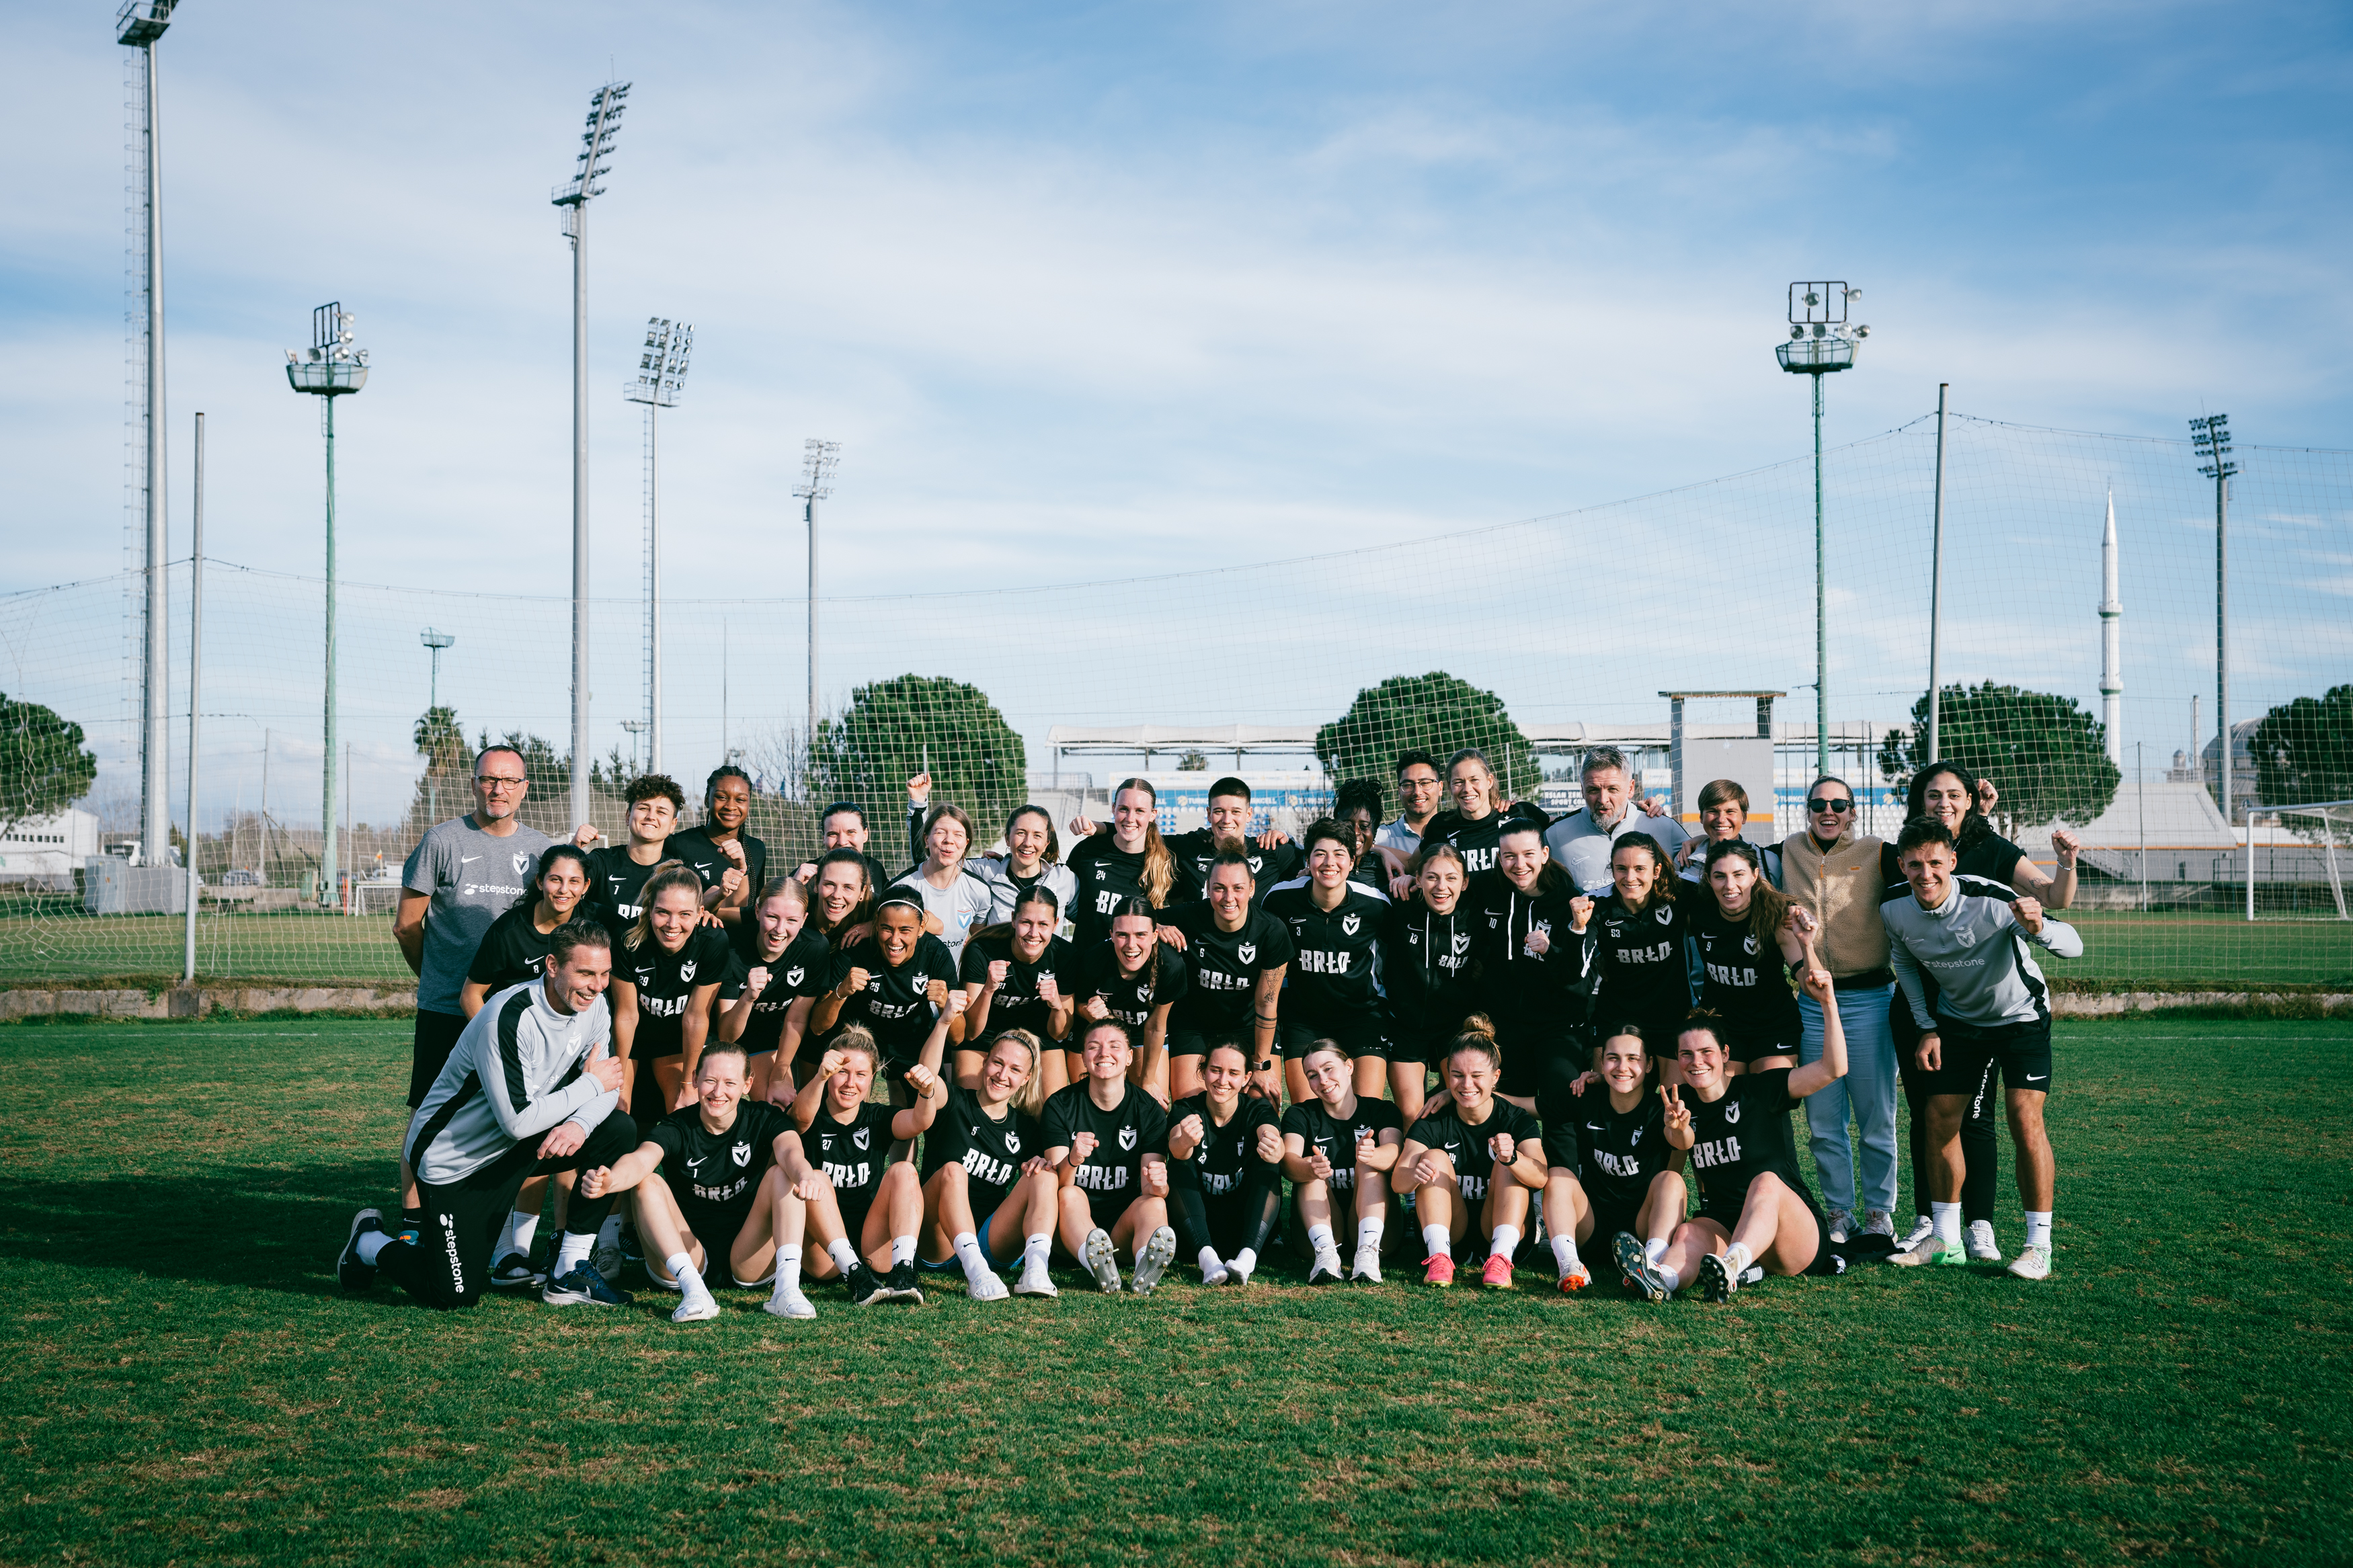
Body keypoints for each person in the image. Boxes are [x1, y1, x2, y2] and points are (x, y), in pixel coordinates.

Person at [337, 919, 635, 1311]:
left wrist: (580, 1122)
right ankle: (369, 1243)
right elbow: (517, 1121)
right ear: (552, 965)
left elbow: (608, 1082)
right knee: (453, 1294)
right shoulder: (508, 1016)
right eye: (585, 973)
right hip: (453, 1162)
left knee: (617, 1129)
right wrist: (589, 1086)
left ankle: (568, 1271)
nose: (597, 986)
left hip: (515, 1148)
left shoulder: (594, 1006)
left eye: (604, 974)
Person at [1892, 761, 2082, 1260]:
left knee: (2022, 1118)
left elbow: (2071, 938)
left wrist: (2040, 926)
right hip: (1955, 1019)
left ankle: (2035, 1244)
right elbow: (1904, 964)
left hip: (2018, 1015)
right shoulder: (1895, 905)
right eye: (1915, 865)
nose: (1925, 873)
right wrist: (1928, 1024)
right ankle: (1943, 1236)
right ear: (1902, 865)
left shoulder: (1993, 888)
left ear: (1952, 861)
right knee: (1936, 1117)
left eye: (1936, 864)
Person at [391, 742, 553, 1230]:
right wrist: (437, 977)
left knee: (522, 1115)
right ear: (474, 783)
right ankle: (412, 1223)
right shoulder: (442, 840)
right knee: (429, 1114)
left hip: (520, 1013)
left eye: (508, 780)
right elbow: (406, 925)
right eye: (488, 779)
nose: (497, 789)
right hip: (447, 1007)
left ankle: (507, 1235)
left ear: (525, 788)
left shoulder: (542, 850)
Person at [575, 1039, 827, 1322]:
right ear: (695, 1079)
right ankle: (694, 1292)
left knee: (783, 1173)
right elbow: (642, 1159)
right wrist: (612, 1181)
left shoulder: (762, 1117)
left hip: (748, 1257)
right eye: (710, 1080)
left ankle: (787, 1290)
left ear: (747, 1085)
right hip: (686, 1255)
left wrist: (804, 1174)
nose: (719, 1092)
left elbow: (790, 1150)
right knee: (646, 1183)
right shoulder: (677, 1126)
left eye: (730, 1083)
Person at [1636, 987, 1849, 1303]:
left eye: (1706, 1052)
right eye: (1686, 1054)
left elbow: (1834, 1068)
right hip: (1726, 1224)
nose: (1697, 1062)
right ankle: (1660, 1278)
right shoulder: (1682, 1105)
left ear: (1724, 1054)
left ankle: (1732, 1267)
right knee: (1688, 1231)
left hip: (1790, 1232)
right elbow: (1681, 1141)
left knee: (1765, 1183)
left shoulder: (1760, 1089)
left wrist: (1829, 1002)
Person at [1776, 776, 1903, 1244]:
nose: (1828, 811)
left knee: (1875, 1116)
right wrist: (1687, 844)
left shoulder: (1878, 851)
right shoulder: (1785, 852)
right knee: (1824, 1120)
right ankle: (1838, 1213)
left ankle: (1878, 1212)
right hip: (1812, 1004)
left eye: (1839, 804)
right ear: (1807, 809)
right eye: (1818, 804)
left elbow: (1934, 859)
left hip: (1869, 1000)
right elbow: (1728, 854)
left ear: (1853, 811)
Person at [791, 1028, 949, 1304]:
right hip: (823, 1253)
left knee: (905, 1170)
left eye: (861, 1075)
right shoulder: (812, 1111)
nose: (850, 1083)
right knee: (816, 1177)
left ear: (872, 1079)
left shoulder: (876, 1116)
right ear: (829, 1072)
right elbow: (799, 1118)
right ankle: (854, 1276)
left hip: (872, 1245)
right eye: (842, 1072)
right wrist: (819, 1077)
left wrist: (926, 1093)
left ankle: (903, 1273)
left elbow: (919, 1122)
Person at [918, 1027, 1063, 1300]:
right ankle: (976, 1272)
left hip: (989, 1240)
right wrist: (944, 1021)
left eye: (1014, 1070)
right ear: (984, 1062)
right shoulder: (954, 1101)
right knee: (953, 1171)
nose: (1002, 1075)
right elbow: (926, 1077)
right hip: (937, 1242)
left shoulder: (1025, 1128)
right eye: (997, 1063)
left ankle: (1036, 1270)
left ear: (1026, 1078)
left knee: (1045, 1173)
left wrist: (1038, 1164)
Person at [1541, 1026, 1687, 1295]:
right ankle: (1570, 1265)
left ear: (1650, 1064)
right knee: (1560, 1176)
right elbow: (1529, 1106)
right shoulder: (1586, 1097)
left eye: (1633, 1058)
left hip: (1643, 1228)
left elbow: (1683, 1142)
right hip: (1591, 1225)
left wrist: (1679, 1130)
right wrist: (1459, 1095)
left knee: (1671, 1180)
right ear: (1601, 1063)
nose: (1623, 1067)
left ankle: (1650, 1267)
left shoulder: (1660, 1110)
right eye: (1613, 1058)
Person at [1398, 1025, 1546, 1288]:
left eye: (1477, 1075)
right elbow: (1399, 1181)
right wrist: (1414, 1174)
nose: (1467, 1085)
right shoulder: (1433, 1119)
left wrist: (1513, 1159)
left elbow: (1541, 1176)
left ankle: (1500, 1258)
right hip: (1452, 1232)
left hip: (1502, 1230)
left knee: (1509, 1162)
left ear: (1495, 1077)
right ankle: (1439, 1257)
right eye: (1457, 1075)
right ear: (1447, 1076)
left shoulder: (1515, 1118)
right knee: (1432, 1157)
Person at [1039, 1019, 1179, 1294]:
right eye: (1094, 1047)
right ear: (1083, 1057)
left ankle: (1144, 1267)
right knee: (1070, 1195)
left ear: (1129, 1057)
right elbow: (1057, 1185)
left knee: (1154, 1204)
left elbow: (1149, 1187)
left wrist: (1160, 1185)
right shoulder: (1060, 1105)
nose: (1104, 1053)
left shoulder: (1148, 1110)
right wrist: (1073, 1159)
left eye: (1114, 1046)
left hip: (1121, 1230)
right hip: (1070, 1231)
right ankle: (1096, 1261)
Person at [1464, 820, 1594, 1109]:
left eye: (1528, 854)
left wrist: (1553, 948)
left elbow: (1576, 977)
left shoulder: (1570, 900)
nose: (1519, 864)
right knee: (1501, 1114)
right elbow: (1445, 883)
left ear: (1545, 854)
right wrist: (1410, 880)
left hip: (1558, 1026)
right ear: (1500, 858)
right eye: (1509, 856)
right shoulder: (1487, 888)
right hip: (1504, 1024)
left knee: (1562, 1107)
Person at [1263, 819, 1393, 1107]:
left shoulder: (1375, 904)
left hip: (1362, 1017)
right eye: (1320, 854)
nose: (1329, 862)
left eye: (1339, 854)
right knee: (1308, 1113)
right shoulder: (1280, 899)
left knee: (1365, 1112)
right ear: (1308, 860)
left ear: (1351, 861)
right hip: (1304, 1019)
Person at [1156, 851, 1291, 1104]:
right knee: (1190, 1107)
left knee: (1262, 1106)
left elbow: (1266, 1003)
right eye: (1219, 888)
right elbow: (1133, 919)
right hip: (1194, 1026)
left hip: (1249, 1028)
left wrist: (1260, 1064)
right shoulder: (1188, 916)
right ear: (1207, 888)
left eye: (1238, 888)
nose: (1229, 898)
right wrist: (1157, 927)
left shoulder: (1272, 931)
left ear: (1252, 888)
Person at [807, 886, 965, 1097]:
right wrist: (841, 992)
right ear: (875, 924)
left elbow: (957, 1038)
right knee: (843, 1100)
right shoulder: (856, 950)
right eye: (887, 928)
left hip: (911, 1037)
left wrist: (946, 1004)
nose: (894, 939)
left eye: (905, 930)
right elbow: (818, 1027)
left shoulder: (935, 953)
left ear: (921, 928)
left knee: (931, 1105)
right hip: (860, 1034)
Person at [610, 864, 734, 1128]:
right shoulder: (628, 940)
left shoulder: (713, 941)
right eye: (663, 912)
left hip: (675, 1040)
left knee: (686, 1108)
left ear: (701, 913)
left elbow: (695, 1018)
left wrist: (688, 1085)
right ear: (650, 909)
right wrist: (617, 1081)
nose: (672, 924)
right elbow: (626, 1016)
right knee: (617, 1110)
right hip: (634, 1038)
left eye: (685, 914)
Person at [1279, 1038, 1404, 1284]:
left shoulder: (1381, 1111)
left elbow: (1396, 1150)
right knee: (1311, 1167)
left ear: (1349, 1067)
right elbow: (1287, 1160)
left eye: (1328, 1069)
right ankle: (1326, 1256)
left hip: (1380, 1234)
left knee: (1369, 1163)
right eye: (1313, 1075)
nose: (1323, 1081)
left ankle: (1368, 1255)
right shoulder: (1300, 1114)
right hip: (1317, 1234)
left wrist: (1374, 1154)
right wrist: (1308, 1167)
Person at [1687, 838, 1812, 1075]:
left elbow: (1808, 984)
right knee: (1727, 1099)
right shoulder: (1698, 912)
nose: (1730, 885)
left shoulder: (1778, 915)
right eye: (1720, 876)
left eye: (1739, 875)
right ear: (1708, 878)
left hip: (1773, 1026)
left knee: (1768, 1095)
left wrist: (1807, 944)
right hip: (1721, 1026)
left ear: (1755, 875)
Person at [1167, 1041, 1285, 1286]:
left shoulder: (1257, 1108)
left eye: (1233, 1073)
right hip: (1197, 1227)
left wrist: (1274, 1148)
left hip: (1245, 1227)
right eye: (1215, 1070)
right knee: (1180, 1161)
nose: (1223, 1080)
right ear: (1203, 1072)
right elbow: (1175, 1146)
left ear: (1246, 1078)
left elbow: (1273, 1137)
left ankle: (1247, 1259)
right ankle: (1208, 1260)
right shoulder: (1187, 1107)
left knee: (1269, 1163)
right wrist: (1186, 1141)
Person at [1378, 843, 1478, 1125]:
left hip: (1453, 1028)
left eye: (1451, 878)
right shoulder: (1401, 906)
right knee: (1411, 1116)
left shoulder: (1475, 917)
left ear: (1465, 882)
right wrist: (1378, 850)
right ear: (1418, 879)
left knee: (1463, 1110)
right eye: (1432, 877)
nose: (1441, 886)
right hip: (1406, 1025)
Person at [715, 876, 832, 1101]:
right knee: (718, 1102)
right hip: (721, 1040)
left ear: (804, 919)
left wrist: (778, 1078)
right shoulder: (730, 946)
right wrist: (748, 998)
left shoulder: (814, 949)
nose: (780, 929)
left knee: (779, 1105)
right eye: (772, 917)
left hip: (766, 1040)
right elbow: (726, 1035)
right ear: (758, 912)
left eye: (791, 920)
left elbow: (795, 1020)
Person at [1587, 833, 1693, 1081]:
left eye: (1639, 869)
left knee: (1674, 1102)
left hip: (1671, 1017)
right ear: (1612, 870)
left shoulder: (1679, 893)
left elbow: (1730, 892)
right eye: (1621, 869)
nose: (1630, 877)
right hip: (1615, 1018)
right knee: (1609, 1103)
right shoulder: (1597, 903)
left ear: (1656, 871)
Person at [958, 885, 1078, 1093]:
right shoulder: (983, 949)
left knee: (1053, 1111)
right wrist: (988, 989)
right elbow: (970, 1032)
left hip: (1039, 1035)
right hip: (986, 1034)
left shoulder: (1065, 955)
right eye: (1026, 923)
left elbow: (1060, 1032)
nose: (1034, 933)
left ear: (1056, 924)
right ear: (1014, 919)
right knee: (969, 1108)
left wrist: (1057, 1006)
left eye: (1043, 924)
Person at [460, 843, 594, 1017]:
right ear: (540, 882)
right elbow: (470, 995)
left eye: (574, 881)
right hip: (512, 1025)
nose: (564, 889)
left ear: (585, 886)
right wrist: (493, 1038)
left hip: (569, 1028)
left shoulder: (598, 921)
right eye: (555, 879)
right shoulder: (508, 932)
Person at [1073, 899, 1188, 1100]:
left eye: (1141, 935)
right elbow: (1079, 1004)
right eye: (1122, 935)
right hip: (1101, 1035)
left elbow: (1155, 1027)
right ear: (1111, 935)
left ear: (1154, 936)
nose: (1131, 945)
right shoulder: (1093, 960)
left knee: (1150, 1103)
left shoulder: (1170, 965)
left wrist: (1147, 1081)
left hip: (1142, 1036)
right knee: (1092, 1100)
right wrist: (1087, 1011)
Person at [1546, 746, 1688, 897]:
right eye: (1593, 790)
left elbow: (1706, 861)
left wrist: (1700, 839)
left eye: (1612, 789)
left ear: (1630, 788)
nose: (1603, 799)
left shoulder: (1665, 827)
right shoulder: (1556, 835)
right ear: (1582, 790)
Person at [1064, 778, 1181, 948]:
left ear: (1153, 815)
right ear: (1113, 809)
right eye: (1124, 809)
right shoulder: (1087, 850)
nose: (1130, 818)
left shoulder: (1165, 863)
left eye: (1140, 811)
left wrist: (1158, 925)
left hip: (1134, 969)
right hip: (1085, 967)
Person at [895, 783, 996, 965]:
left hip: (951, 988)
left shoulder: (979, 891)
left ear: (966, 843)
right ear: (926, 839)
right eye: (941, 832)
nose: (949, 840)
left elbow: (979, 939)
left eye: (958, 835)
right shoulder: (902, 887)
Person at [581, 774, 686, 934]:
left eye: (661, 812)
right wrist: (574, 847)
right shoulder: (602, 861)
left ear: (673, 825)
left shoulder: (679, 873)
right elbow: (560, 883)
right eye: (643, 808)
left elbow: (707, 898)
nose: (651, 816)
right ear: (628, 816)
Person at [666, 765, 768, 930]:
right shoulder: (679, 844)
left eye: (740, 800)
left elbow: (747, 909)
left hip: (737, 946)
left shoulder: (756, 849)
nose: (731, 806)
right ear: (707, 799)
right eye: (722, 797)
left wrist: (742, 868)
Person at [1410, 747, 1528, 882]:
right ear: (1450, 786)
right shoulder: (1439, 825)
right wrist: (1382, 851)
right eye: (1459, 782)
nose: (1467, 789)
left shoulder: (1519, 814)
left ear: (1489, 781)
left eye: (1474, 780)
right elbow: (1412, 865)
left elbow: (1557, 827)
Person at [968, 804, 1079, 930]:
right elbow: (945, 865)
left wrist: (1101, 829)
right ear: (1007, 839)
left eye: (1037, 835)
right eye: (1021, 833)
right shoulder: (985, 871)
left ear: (1046, 844)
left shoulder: (1064, 878)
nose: (1027, 843)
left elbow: (1090, 921)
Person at [1674, 779, 1780, 886]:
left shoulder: (1768, 861)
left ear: (1744, 817)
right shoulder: (1683, 861)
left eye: (1730, 812)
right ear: (1701, 817)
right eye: (1713, 811)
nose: (1721, 819)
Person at [1371, 749, 1445, 882]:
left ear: (1440, 788)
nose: (1417, 792)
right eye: (1408, 785)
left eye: (1425, 783)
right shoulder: (1378, 836)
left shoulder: (1456, 830)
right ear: (1399, 792)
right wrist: (1379, 850)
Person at [793, 801, 895, 894]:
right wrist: (793, 888)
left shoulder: (875, 869)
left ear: (865, 835)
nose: (842, 842)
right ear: (824, 839)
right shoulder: (805, 876)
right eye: (833, 834)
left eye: (850, 832)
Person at [805, 847, 877, 949]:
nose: (837, 895)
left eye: (848, 888)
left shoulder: (873, 908)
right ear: (816, 884)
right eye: (829, 884)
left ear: (862, 892)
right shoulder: (799, 910)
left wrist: (877, 926)